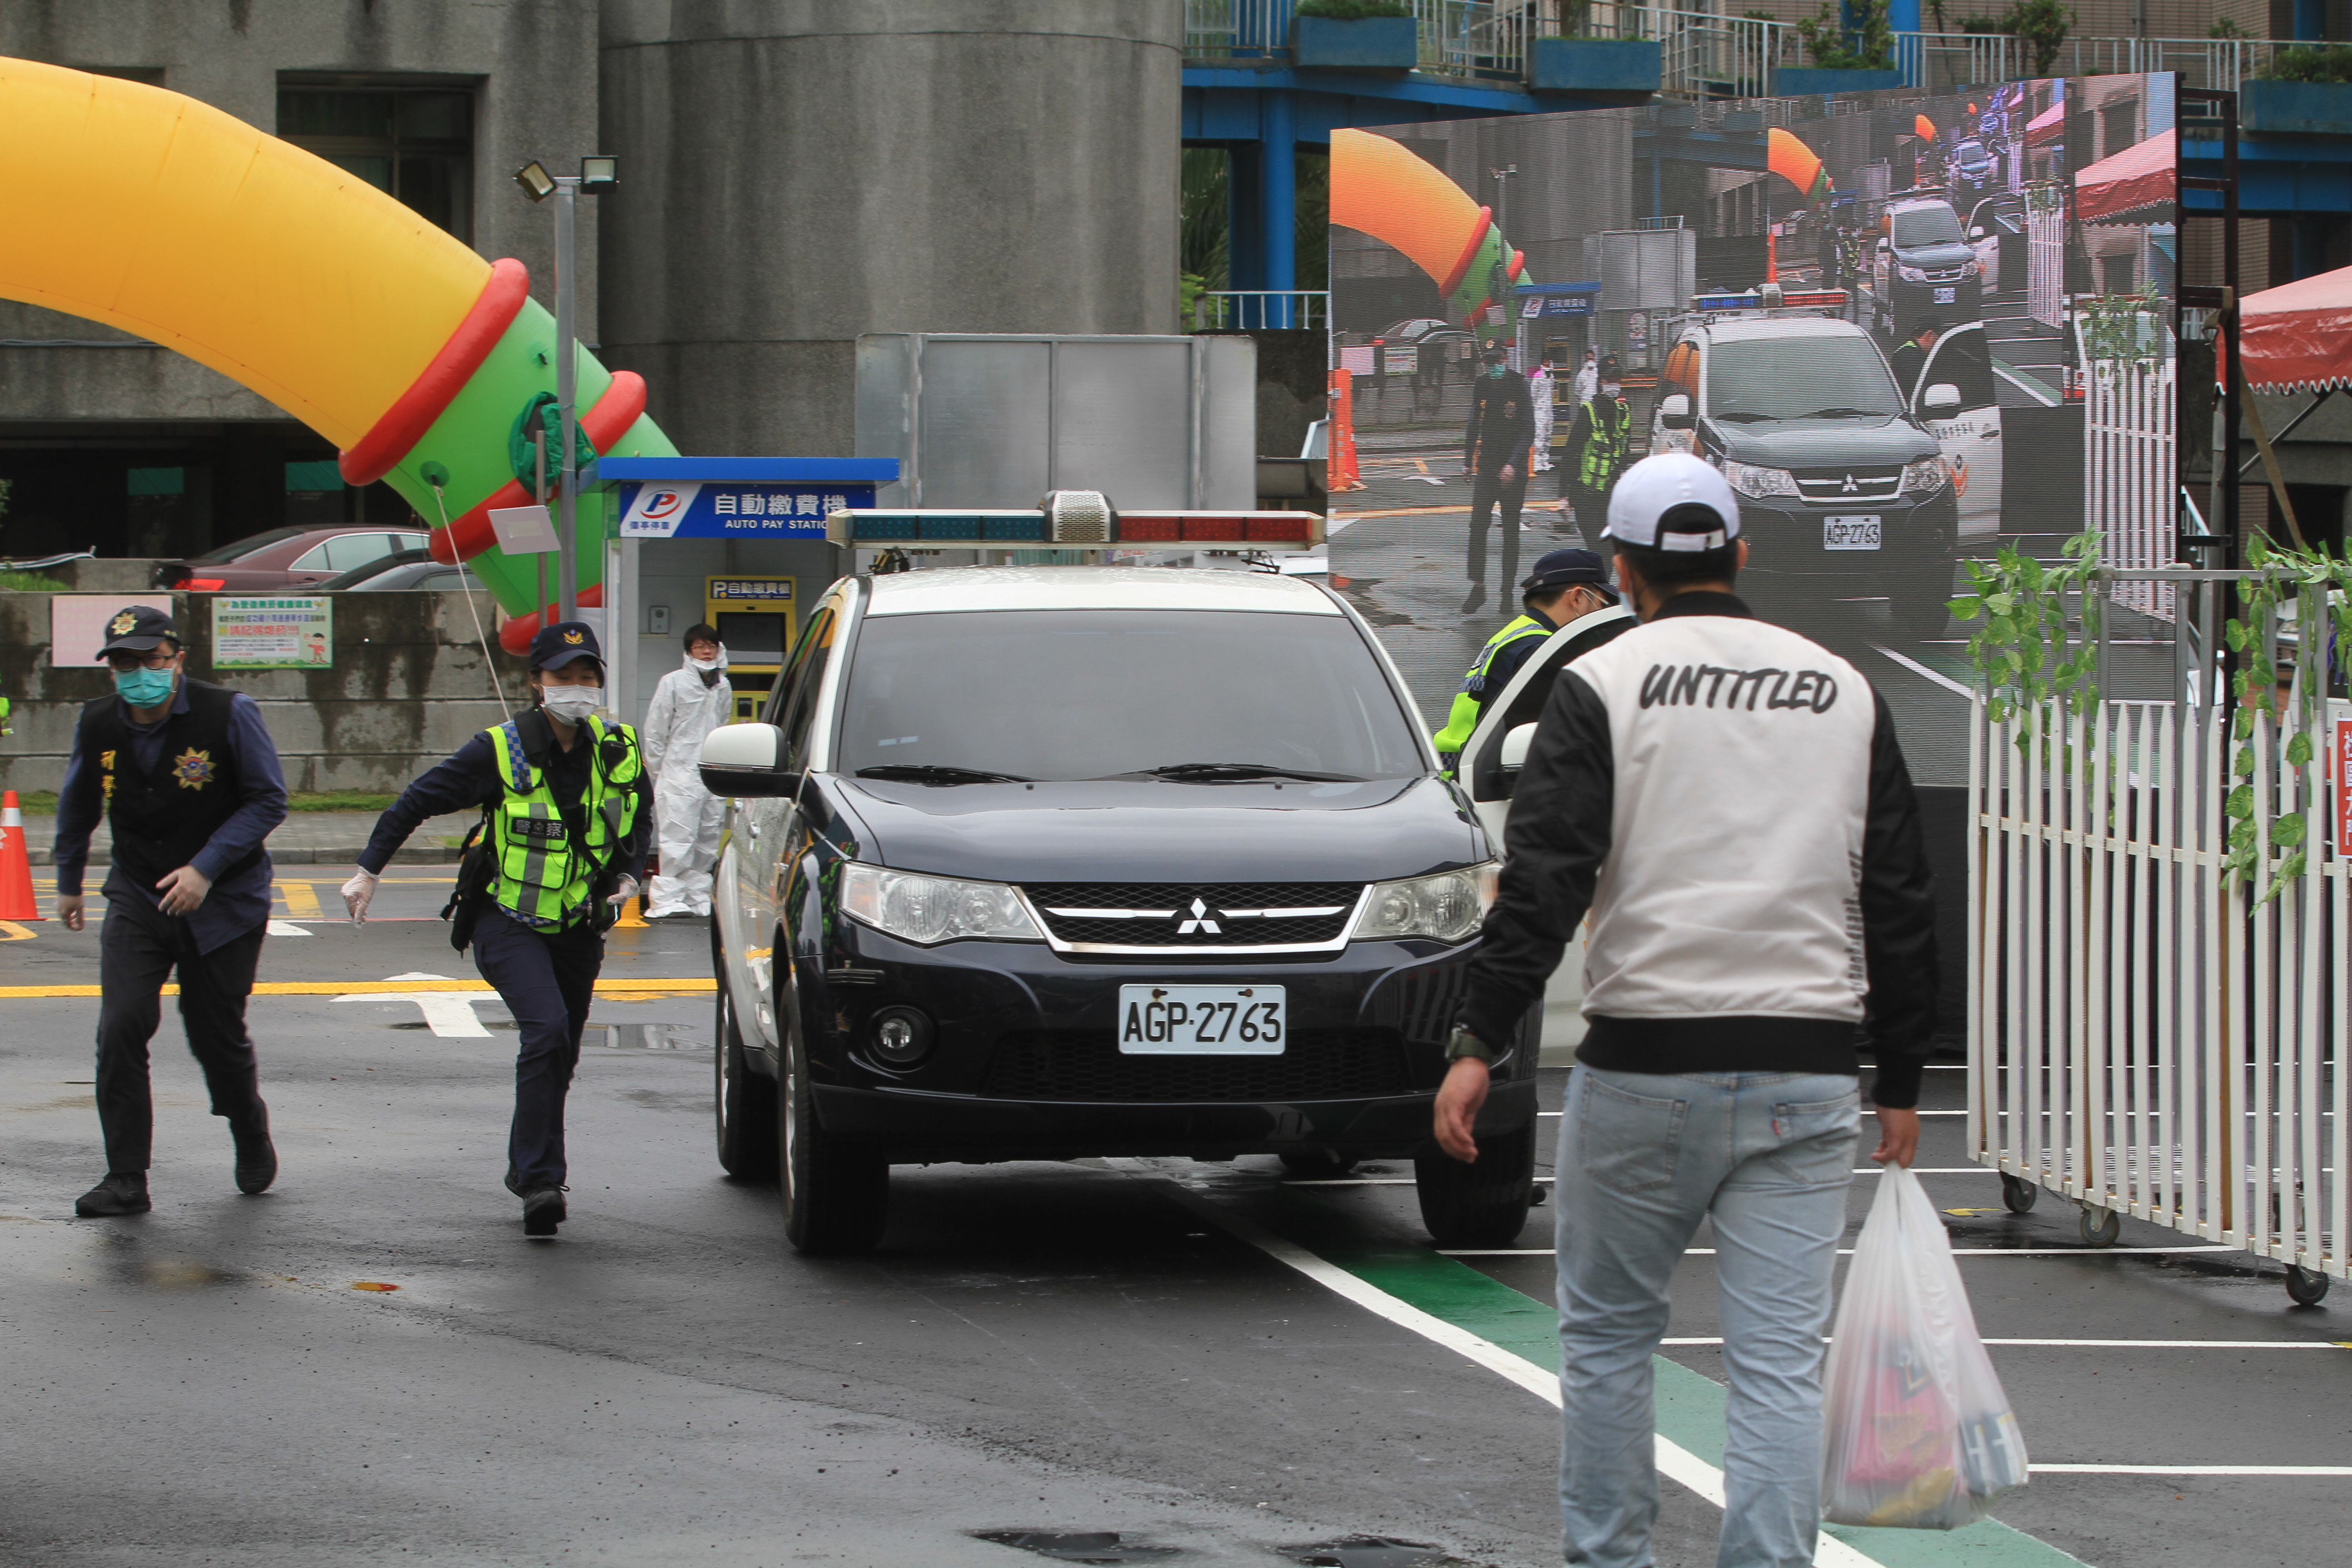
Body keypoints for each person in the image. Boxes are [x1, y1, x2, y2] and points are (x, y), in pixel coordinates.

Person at [1431, 452, 1937, 1568]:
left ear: (1619, 568)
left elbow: (1545, 878)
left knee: (1611, 1337)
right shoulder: (1841, 686)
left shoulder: (1604, 683)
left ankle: (1609, 1555)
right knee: (1775, 1361)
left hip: (1644, 1065)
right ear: (1740, 556)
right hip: (1806, 1073)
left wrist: (1478, 1040)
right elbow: (1895, 892)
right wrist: (1898, 1078)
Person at [341, 622, 650, 1236]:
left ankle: (533, 1168)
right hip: (504, 918)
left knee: (560, 1051)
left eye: (588, 676)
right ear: (536, 682)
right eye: (564, 676)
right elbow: (417, 800)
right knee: (545, 1029)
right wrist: (367, 872)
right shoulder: (500, 749)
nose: (578, 688)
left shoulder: (619, 744)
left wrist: (631, 875)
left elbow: (640, 814)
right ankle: (540, 1180)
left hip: (577, 924)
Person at [54, 605, 288, 1217]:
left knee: (216, 1036)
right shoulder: (99, 721)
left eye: (149, 660)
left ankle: (247, 1122)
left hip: (225, 903)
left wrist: (205, 868)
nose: (137, 674)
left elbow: (268, 801)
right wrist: (69, 879)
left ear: (176, 659)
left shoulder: (229, 713)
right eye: (123, 664)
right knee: (122, 1025)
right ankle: (126, 1177)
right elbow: (79, 800)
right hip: (137, 894)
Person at [1428, 549, 1629, 776]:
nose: (1602, 611)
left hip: (1459, 771)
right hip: (1475, 780)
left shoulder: (1518, 634)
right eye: (1603, 603)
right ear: (1577, 598)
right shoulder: (1539, 651)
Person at [640, 622, 732, 921]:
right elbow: (656, 730)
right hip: (679, 773)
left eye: (711, 646)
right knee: (677, 837)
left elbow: (722, 722)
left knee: (708, 835)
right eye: (699, 647)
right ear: (688, 651)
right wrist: (661, 771)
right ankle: (666, 899)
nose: (706, 652)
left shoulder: (723, 686)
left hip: (711, 771)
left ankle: (697, 895)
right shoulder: (673, 683)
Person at [1460, 344, 1535, 615]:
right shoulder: (1482, 384)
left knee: (1510, 532)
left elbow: (1529, 430)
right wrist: (1468, 460)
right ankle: (1478, 586)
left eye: (1497, 360)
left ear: (1505, 359)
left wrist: (1513, 463)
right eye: (1489, 362)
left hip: (1512, 471)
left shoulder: (1518, 384)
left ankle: (1507, 592)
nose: (1493, 366)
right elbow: (1473, 422)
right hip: (1488, 466)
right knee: (1478, 527)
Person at [1561, 353, 1633, 543]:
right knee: (1598, 548)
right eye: (1610, 380)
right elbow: (1571, 453)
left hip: (1613, 495)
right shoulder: (1588, 412)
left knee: (1610, 552)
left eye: (1617, 380)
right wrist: (1564, 494)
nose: (1614, 385)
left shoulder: (1624, 412)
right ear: (1601, 382)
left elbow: (1625, 451)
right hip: (1588, 495)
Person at [1890, 316, 1941, 400]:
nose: (1937, 344)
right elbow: (1922, 386)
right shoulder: (1909, 355)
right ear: (1929, 335)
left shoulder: (1909, 351)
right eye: (1937, 339)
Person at [1529, 352, 1555, 474]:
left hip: (1549, 410)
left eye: (1549, 360)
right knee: (1539, 436)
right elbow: (1533, 394)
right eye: (1545, 361)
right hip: (1540, 410)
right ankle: (1537, 463)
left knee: (1548, 435)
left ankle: (1545, 461)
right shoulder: (1538, 375)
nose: (1547, 363)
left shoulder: (1551, 375)